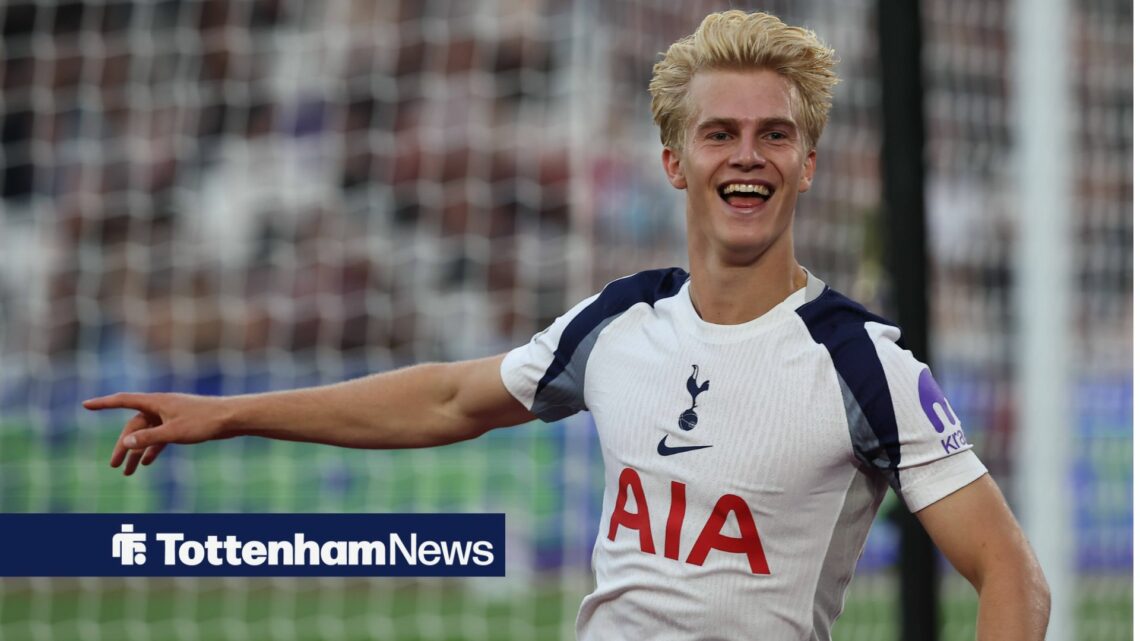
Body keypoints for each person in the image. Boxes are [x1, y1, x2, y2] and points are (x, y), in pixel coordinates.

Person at [85, 10, 1050, 641]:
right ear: (676, 162)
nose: (745, 157)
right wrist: (230, 413)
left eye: (775, 135)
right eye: (720, 133)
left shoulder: (861, 360)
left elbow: (1012, 577)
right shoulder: (620, 317)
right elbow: (449, 397)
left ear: (808, 164)